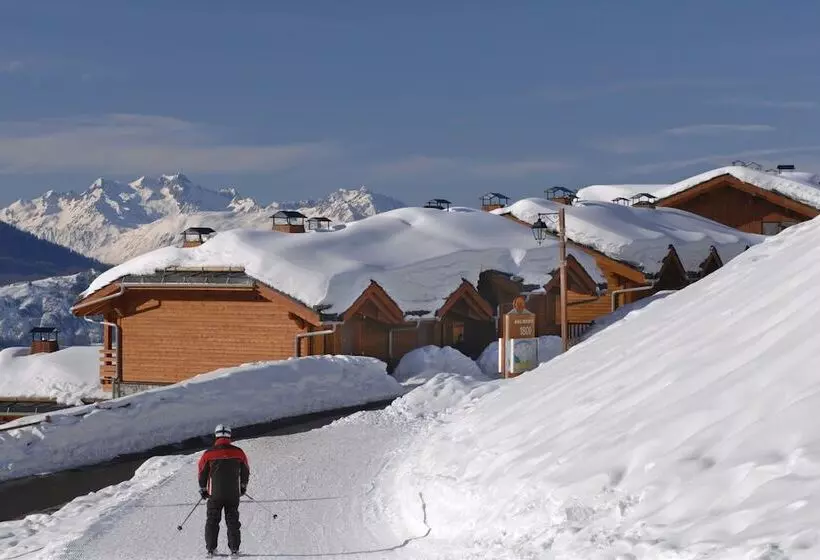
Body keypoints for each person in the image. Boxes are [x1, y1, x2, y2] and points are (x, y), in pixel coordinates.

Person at [197, 424, 250, 556]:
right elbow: (246, 470)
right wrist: (243, 486)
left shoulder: (208, 453)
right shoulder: (238, 452)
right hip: (232, 493)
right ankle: (234, 549)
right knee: (232, 520)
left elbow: (201, 471)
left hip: (214, 494)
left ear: (216, 436)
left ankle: (211, 549)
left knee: (212, 520)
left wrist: (203, 488)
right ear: (229, 435)